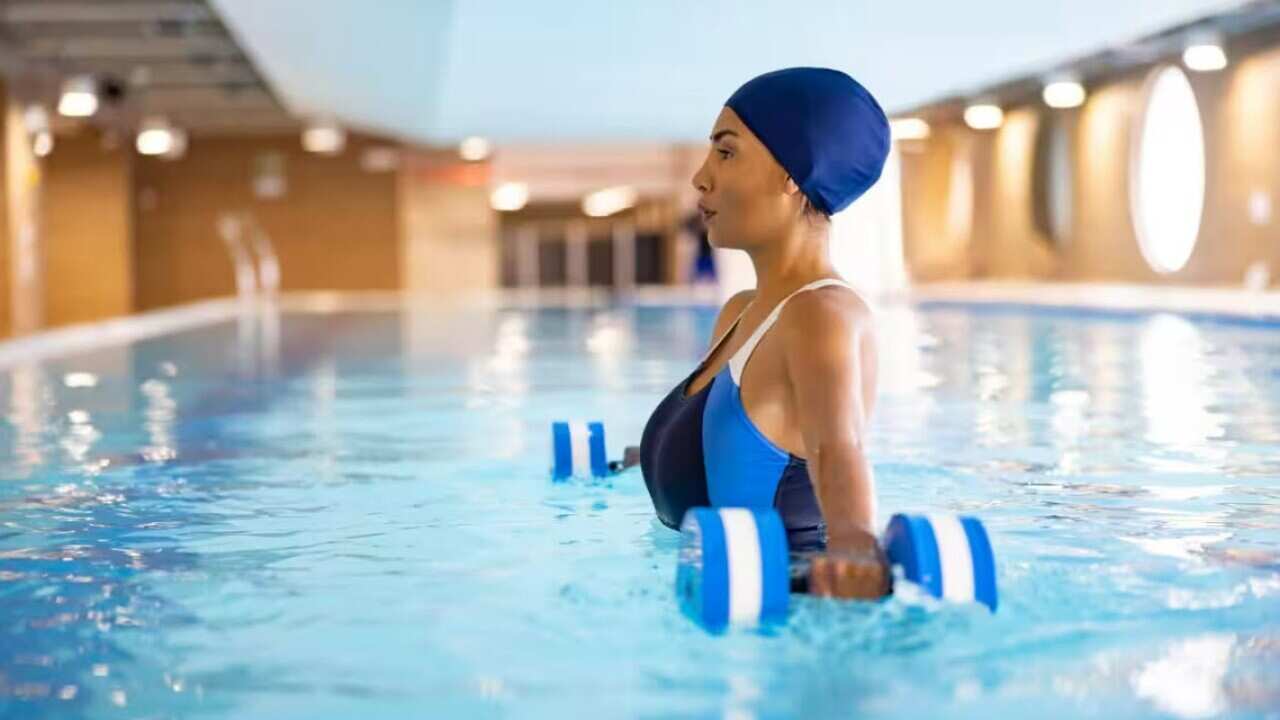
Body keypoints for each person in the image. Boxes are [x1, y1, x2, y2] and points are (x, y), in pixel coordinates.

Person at [638, 67, 892, 600]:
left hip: (788, 633)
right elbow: (722, 447)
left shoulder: (820, 314)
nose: (700, 178)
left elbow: (837, 448)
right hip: (715, 610)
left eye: (726, 153)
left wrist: (853, 547)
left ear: (793, 174)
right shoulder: (740, 311)